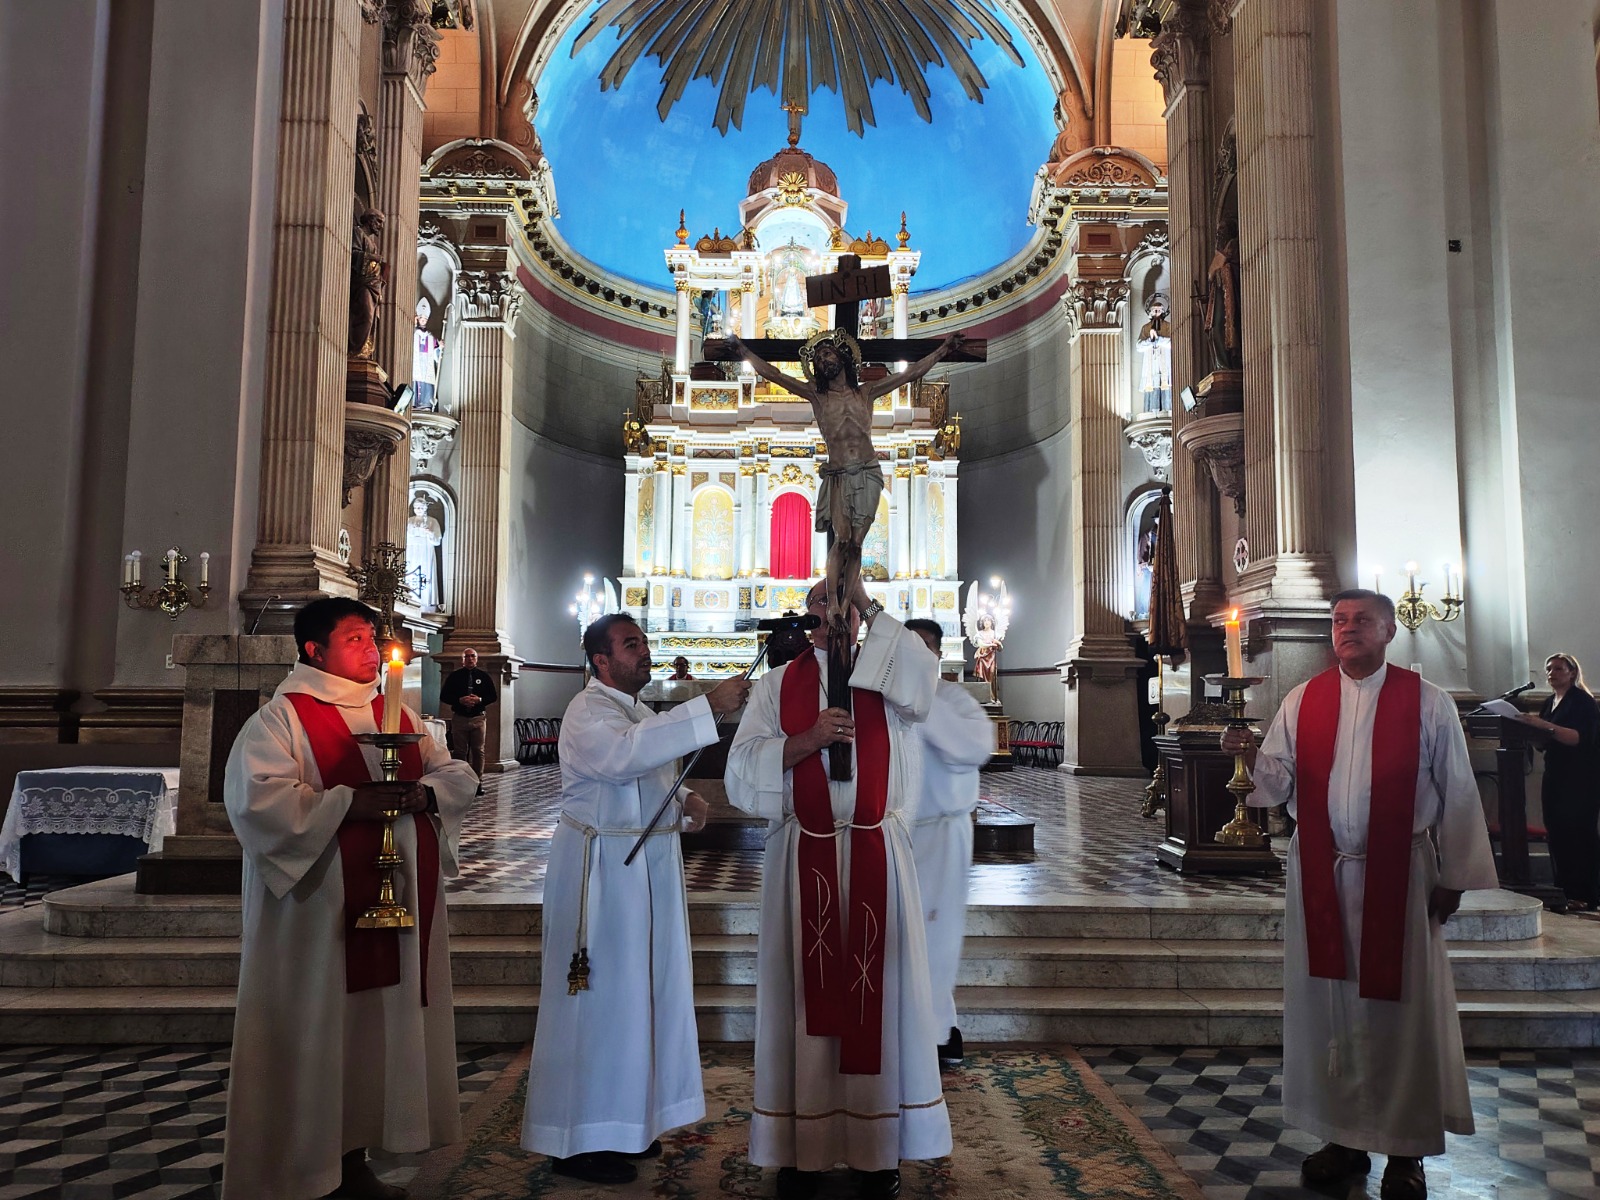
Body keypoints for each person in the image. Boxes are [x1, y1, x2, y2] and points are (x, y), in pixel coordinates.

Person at [1219, 589, 1497, 1200]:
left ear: (1390, 630)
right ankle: (1342, 1135)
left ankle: (1406, 1151)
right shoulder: (1303, 699)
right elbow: (1280, 780)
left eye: (1361, 621)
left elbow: (1457, 788)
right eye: (1339, 621)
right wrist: (1249, 757)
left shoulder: (1427, 703)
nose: (1347, 630)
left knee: (1400, 1012)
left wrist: (1454, 876)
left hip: (1401, 876)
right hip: (1323, 872)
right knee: (1330, 1008)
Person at [221, 597, 477, 1200]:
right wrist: (345, 802)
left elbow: (455, 774)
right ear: (315, 650)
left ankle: (358, 1157)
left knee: (376, 1035)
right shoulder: (281, 719)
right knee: (322, 1033)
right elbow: (258, 803)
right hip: (318, 921)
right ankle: (307, 1169)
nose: (372, 649)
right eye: (357, 638)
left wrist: (424, 797)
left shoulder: (397, 712)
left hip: (398, 911)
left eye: (374, 639)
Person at [726, 577, 947, 1200]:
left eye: (848, 602)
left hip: (878, 848)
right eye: (825, 601)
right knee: (803, 1006)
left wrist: (871, 611)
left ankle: (880, 1153)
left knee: (883, 1001)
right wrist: (808, 741)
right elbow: (743, 776)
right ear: (810, 616)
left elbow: (925, 687)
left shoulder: (888, 680)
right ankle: (802, 1151)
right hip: (805, 854)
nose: (836, 612)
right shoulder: (776, 687)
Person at [521, 614, 751, 1184]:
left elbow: (643, 776)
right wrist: (708, 706)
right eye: (631, 645)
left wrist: (684, 803)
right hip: (600, 879)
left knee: (636, 1001)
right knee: (597, 1005)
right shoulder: (587, 711)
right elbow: (621, 758)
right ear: (600, 660)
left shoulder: (637, 711)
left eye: (644, 643)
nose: (644, 652)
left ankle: (623, 1125)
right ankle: (576, 1140)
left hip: (640, 873)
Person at [726, 328, 964, 629]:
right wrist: (744, 352)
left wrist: (942, 350)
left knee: (856, 545)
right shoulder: (816, 394)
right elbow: (775, 374)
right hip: (838, 473)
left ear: (842, 357)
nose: (824, 359)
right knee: (841, 540)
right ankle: (835, 606)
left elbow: (910, 374)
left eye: (828, 353)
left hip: (868, 470)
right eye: (819, 357)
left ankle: (849, 600)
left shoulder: (866, 392)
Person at [903, 618, 995, 1069]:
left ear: (938, 655)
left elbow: (974, 748)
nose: (916, 658)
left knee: (936, 933)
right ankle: (935, 1025)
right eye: (908, 649)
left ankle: (938, 1033)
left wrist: (919, 693)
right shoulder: (889, 701)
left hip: (942, 830)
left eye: (924, 650)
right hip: (898, 832)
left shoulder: (953, 699)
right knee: (907, 935)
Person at [1521, 653, 1600, 912]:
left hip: (1580, 779)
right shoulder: (1549, 702)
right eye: (1548, 669)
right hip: (1556, 775)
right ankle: (1564, 890)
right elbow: (1546, 741)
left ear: (1572, 673)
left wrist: (1542, 726)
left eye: (1558, 668)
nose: (1551, 673)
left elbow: (1578, 738)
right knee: (1557, 832)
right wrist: (1530, 732)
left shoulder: (1582, 702)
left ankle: (1585, 894)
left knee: (1578, 833)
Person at [440, 648, 497, 784]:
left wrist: (480, 700)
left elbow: (493, 696)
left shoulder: (484, 676)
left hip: (478, 718)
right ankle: (462, 780)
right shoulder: (455, 676)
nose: (470, 659)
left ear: (477, 659)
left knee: (478, 750)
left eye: (473, 656)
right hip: (460, 717)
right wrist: (459, 700)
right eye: (467, 657)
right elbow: (444, 696)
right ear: (462, 660)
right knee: (460, 751)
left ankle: (478, 781)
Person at [405, 495, 442, 611]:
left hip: (425, 550)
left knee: (425, 574)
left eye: (421, 508)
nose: (418, 510)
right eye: (416, 508)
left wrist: (429, 533)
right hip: (412, 550)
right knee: (411, 572)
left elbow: (437, 540)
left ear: (425, 508)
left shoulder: (432, 521)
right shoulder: (409, 520)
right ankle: (411, 598)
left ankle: (425, 601)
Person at [412, 297, 442, 411]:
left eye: (425, 318)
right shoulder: (413, 334)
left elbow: (436, 356)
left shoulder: (430, 337)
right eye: (421, 318)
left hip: (426, 364)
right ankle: (415, 403)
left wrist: (439, 347)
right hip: (415, 363)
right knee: (416, 380)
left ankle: (425, 403)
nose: (423, 320)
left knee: (426, 380)